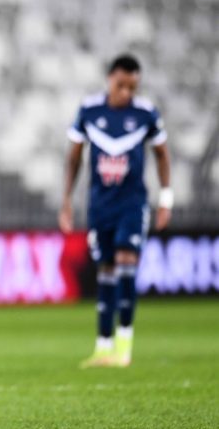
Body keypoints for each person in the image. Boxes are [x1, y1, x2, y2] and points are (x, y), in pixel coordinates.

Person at [59, 55, 171, 368]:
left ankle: (124, 346)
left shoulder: (146, 113)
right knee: (105, 271)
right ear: (110, 78)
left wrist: (166, 199)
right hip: (100, 205)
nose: (125, 93)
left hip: (132, 204)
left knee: (125, 263)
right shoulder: (90, 110)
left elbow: (162, 155)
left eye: (132, 87)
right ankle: (103, 347)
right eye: (121, 85)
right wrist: (66, 199)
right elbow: (74, 158)